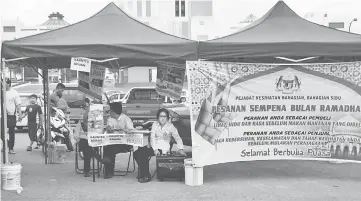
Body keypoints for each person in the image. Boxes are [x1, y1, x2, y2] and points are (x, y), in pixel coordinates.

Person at [134, 108, 186, 183]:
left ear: (167, 118)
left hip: (163, 147)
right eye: (161, 116)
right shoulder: (155, 124)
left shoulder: (171, 126)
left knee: (143, 154)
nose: (162, 118)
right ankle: (142, 171)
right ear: (158, 117)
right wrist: (155, 149)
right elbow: (152, 137)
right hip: (154, 145)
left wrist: (181, 149)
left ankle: (146, 176)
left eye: (164, 116)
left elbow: (177, 138)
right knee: (136, 153)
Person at [101, 102, 134, 179]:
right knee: (106, 146)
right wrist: (108, 128)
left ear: (113, 111)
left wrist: (122, 129)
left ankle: (108, 171)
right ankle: (108, 170)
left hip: (124, 143)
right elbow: (109, 125)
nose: (109, 113)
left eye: (110, 111)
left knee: (109, 149)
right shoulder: (110, 118)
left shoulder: (126, 119)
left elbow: (132, 131)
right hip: (113, 141)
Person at [78, 98, 101, 177]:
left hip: (95, 141)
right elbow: (76, 136)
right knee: (86, 146)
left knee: (88, 147)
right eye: (87, 117)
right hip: (83, 141)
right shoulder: (81, 123)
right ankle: (97, 157)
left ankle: (87, 170)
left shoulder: (96, 121)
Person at [2, 78, 22, 154]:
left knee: (11, 132)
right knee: (1, 132)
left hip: (11, 115)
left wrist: (20, 114)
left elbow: (18, 104)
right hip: (2, 115)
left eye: (4, 83)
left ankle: (11, 148)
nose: (2, 84)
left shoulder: (14, 93)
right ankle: (6, 143)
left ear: (9, 84)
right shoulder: (2, 92)